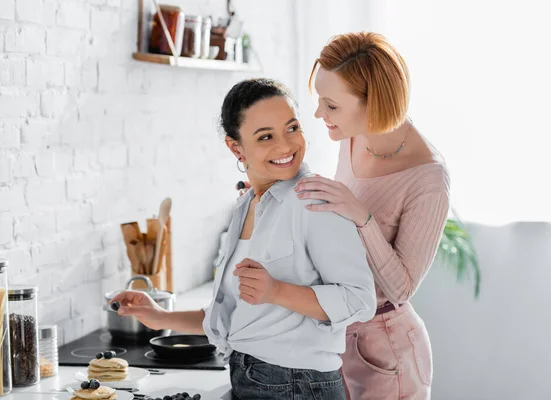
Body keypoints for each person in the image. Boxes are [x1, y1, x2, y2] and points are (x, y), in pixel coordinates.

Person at [110, 78, 377, 400]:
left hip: (298, 385)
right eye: (266, 136)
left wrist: (276, 290)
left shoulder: (315, 201)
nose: (285, 145)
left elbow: (360, 301)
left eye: (292, 128)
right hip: (250, 376)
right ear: (236, 147)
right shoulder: (246, 205)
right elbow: (239, 318)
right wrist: (160, 317)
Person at [291, 32, 450, 400]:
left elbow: (401, 288)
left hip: (386, 349)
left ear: (372, 105)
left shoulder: (428, 179)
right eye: (319, 101)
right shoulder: (351, 135)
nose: (318, 115)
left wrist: (363, 217)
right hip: (340, 335)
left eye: (331, 106)